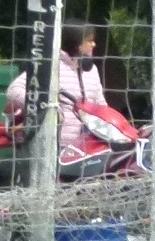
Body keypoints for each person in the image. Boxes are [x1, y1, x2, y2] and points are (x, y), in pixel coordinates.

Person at [6, 22, 109, 155]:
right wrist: (47, 107)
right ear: (76, 43)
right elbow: (14, 90)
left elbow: (101, 104)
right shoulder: (50, 67)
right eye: (89, 40)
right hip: (56, 144)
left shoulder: (92, 70)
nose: (93, 44)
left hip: (87, 146)